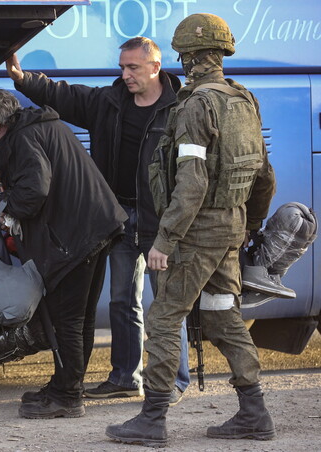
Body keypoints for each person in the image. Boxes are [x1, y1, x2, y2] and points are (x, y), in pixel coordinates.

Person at [105, 13, 277, 447]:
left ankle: (152, 420)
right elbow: (264, 174)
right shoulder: (244, 99)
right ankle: (254, 414)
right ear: (220, 54)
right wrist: (246, 224)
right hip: (229, 227)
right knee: (223, 315)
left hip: (196, 232)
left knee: (163, 319)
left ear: (186, 58)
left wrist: (165, 240)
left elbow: (192, 179)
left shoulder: (195, 105)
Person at [6, 37, 190, 404]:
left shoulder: (180, 109)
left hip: (159, 222)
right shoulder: (110, 102)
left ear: (155, 67)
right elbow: (67, 95)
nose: (125, 75)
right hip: (119, 218)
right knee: (123, 301)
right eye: (122, 68)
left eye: (133, 68)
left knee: (167, 305)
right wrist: (24, 79)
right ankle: (125, 377)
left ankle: (173, 381)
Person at [0, 89, 127, 419]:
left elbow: (35, 189)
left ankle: (67, 397)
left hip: (74, 239)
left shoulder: (25, 138)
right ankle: (68, 385)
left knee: (66, 319)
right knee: (79, 318)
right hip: (96, 228)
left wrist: (9, 207)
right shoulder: (46, 125)